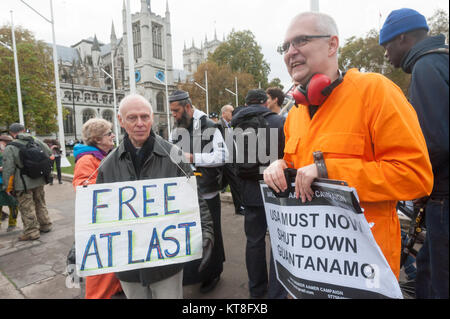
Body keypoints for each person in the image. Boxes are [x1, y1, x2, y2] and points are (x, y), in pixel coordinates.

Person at [263, 12, 433, 281]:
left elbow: (416, 177)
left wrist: (329, 170)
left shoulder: (376, 92)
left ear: (332, 45)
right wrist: (279, 166)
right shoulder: (295, 113)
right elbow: (298, 169)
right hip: (310, 269)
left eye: (301, 41)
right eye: (285, 47)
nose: (290, 53)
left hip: (363, 275)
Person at [96, 94, 214, 299]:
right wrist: (80, 243)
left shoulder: (174, 156)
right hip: (129, 265)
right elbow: (98, 214)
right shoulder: (108, 165)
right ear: (120, 120)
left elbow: (195, 200)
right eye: (132, 118)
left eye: (145, 117)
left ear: (152, 118)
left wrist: (206, 233)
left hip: (167, 261)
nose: (140, 123)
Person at [380, 8, 449, 299]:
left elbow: (435, 142)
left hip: (442, 197)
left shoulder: (426, 66)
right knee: (427, 268)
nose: (385, 55)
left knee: (439, 280)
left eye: (387, 47)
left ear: (403, 38)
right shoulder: (442, 60)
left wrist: (416, 182)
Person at [169, 90, 227, 294]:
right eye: (171, 112)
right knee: (193, 235)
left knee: (213, 235)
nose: (173, 115)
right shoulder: (176, 130)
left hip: (207, 192)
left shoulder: (211, 127)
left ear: (187, 107)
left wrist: (193, 157)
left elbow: (222, 156)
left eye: (176, 111)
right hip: (186, 193)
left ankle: (214, 272)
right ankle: (195, 273)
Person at [231, 89, 286, 299]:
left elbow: (232, 161)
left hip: (250, 190)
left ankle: (256, 291)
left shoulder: (235, 124)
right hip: (276, 189)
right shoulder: (280, 121)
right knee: (278, 243)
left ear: (246, 104)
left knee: (253, 242)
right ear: (265, 103)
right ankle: (277, 293)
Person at [72, 118, 123, 299]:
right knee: (101, 268)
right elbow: (82, 186)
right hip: (99, 221)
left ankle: (116, 288)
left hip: (110, 217)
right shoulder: (87, 159)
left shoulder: (104, 155)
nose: (113, 136)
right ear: (97, 139)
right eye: (109, 134)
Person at [1, 123, 53, 241]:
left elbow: (8, 168)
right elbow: (49, 154)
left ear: (11, 133)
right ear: (24, 130)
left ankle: (31, 232)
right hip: (39, 179)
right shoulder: (35, 141)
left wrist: (6, 186)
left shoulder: (11, 147)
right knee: (40, 202)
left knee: (26, 207)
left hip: (22, 182)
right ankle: (45, 225)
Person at [219, 104, 245, 216]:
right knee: (235, 183)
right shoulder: (218, 125)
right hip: (226, 160)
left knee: (226, 184)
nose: (233, 114)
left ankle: (240, 206)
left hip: (232, 160)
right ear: (224, 113)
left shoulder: (230, 125)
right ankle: (239, 207)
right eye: (231, 111)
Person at [0, 134, 18, 232]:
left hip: (11, 182)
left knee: (13, 204)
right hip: (0, 182)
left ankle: (12, 224)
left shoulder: (12, 151)